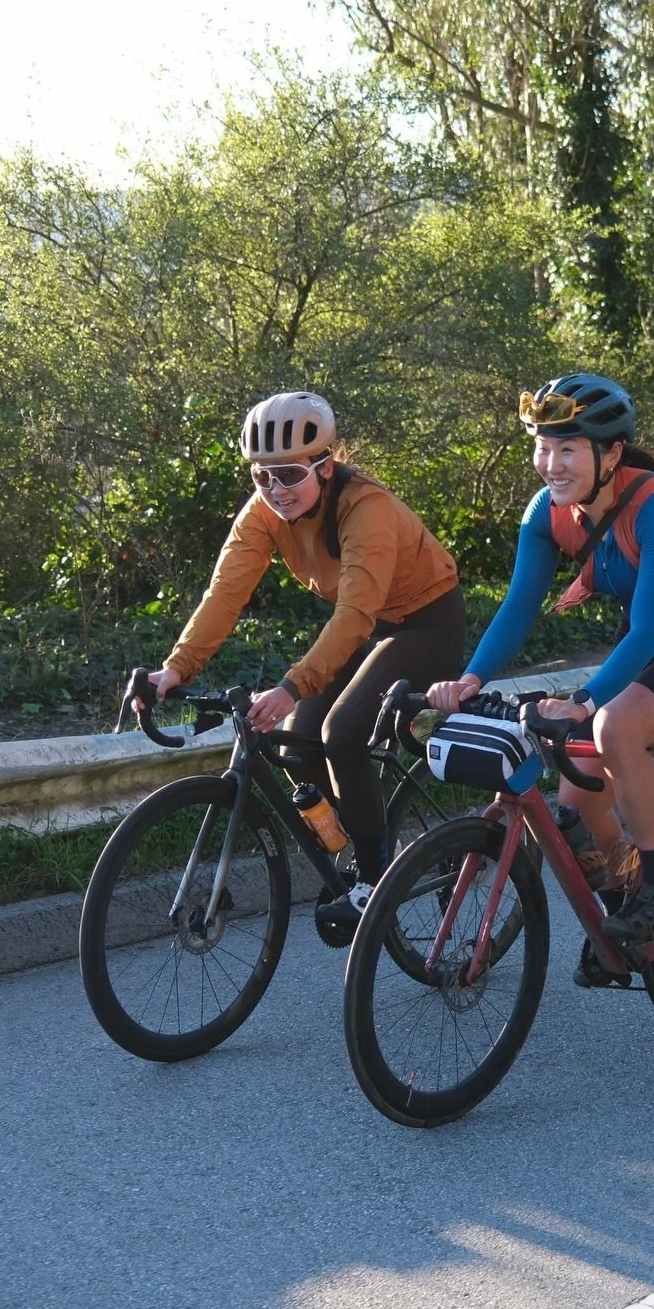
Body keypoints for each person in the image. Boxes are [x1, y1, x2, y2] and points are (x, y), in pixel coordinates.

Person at [426, 372, 654, 982]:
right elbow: (519, 607)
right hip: (648, 656)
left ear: (611, 453)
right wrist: (469, 679)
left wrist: (582, 700)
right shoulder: (548, 512)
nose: (549, 463)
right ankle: (623, 914)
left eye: (567, 448)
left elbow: (651, 629)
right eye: (542, 447)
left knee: (615, 727)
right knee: (576, 804)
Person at [147, 391, 464, 932]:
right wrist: (177, 668)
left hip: (425, 623)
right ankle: (359, 833)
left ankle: (374, 876)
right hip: (363, 627)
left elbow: (356, 612)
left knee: (341, 730)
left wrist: (292, 684)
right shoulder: (265, 512)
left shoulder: (367, 508)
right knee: (298, 736)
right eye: (262, 476)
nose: (275, 490)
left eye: (289, 474)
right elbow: (225, 591)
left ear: (325, 463)